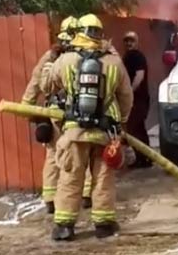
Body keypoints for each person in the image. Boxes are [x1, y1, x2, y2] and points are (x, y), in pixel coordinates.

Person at [41, 13, 133, 241]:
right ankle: (103, 224)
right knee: (103, 178)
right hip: (105, 132)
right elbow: (126, 97)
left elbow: (46, 85)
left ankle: (64, 226)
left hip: (74, 131)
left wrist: (49, 63)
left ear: (79, 32)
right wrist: (120, 123)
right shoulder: (114, 61)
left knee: (70, 177)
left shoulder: (66, 59)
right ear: (100, 35)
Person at [21, 16, 81, 215]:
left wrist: (28, 107)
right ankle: (79, 196)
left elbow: (35, 82)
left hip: (57, 111)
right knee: (80, 152)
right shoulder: (82, 55)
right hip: (71, 113)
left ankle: (51, 198)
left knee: (54, 155)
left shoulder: (52, 55)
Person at [122, 31, 152, 168]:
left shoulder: (137, 56)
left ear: (137, 42)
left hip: (138, 99)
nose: (129, 43)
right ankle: (146, 158)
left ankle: (143, 158)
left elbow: (139, 76)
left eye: (131, 41)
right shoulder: (128, 56)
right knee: (139, 129)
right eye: (127, 41)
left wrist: (130, 92)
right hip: (137, 99)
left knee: (133, 129)